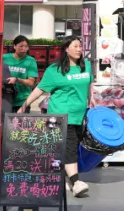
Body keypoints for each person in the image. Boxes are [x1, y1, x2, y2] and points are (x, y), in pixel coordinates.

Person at [19, 37, 94, 198]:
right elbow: (40, 89)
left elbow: (89, 83)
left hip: (79, 115)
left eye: (80, 46)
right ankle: (76, 183)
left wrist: (91, 98)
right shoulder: (55, 70)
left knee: (68, 147)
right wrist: (24, 106)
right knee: (69, 147)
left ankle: (61, 177)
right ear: (66, 49)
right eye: (75, 46)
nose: (79, 49)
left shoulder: (86, 65)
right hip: (60, 114)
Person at [3, 35, 39, 112]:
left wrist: (17, 80)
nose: (24, 49)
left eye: (26, 46)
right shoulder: (5, 58)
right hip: (5, 98)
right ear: (14, 46)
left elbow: (31, 82)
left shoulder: (31, 61)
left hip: (22, 100)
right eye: (21, 46)